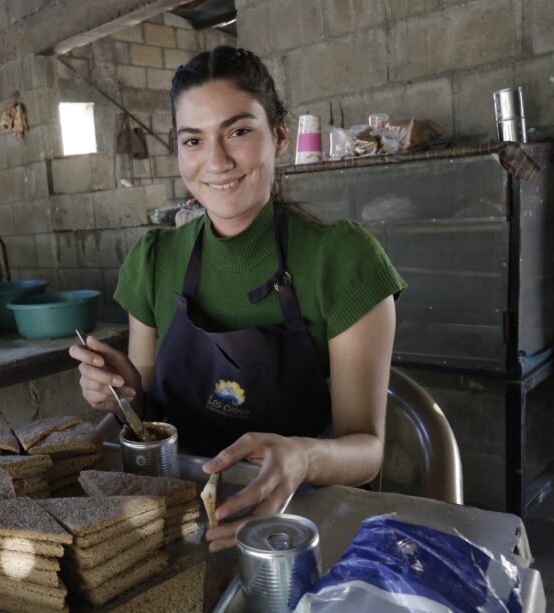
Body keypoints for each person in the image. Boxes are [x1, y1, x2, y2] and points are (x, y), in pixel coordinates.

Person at [69, 46, 406, 551]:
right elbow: (143, 413)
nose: (217, 161)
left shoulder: (342, 259)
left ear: (280, 136)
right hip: (175, 518)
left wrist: (303, 457)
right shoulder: (155, 257)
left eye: (238, 131)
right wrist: (120, 391)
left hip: (294, 523)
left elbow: (366, 448)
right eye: (193, 140)